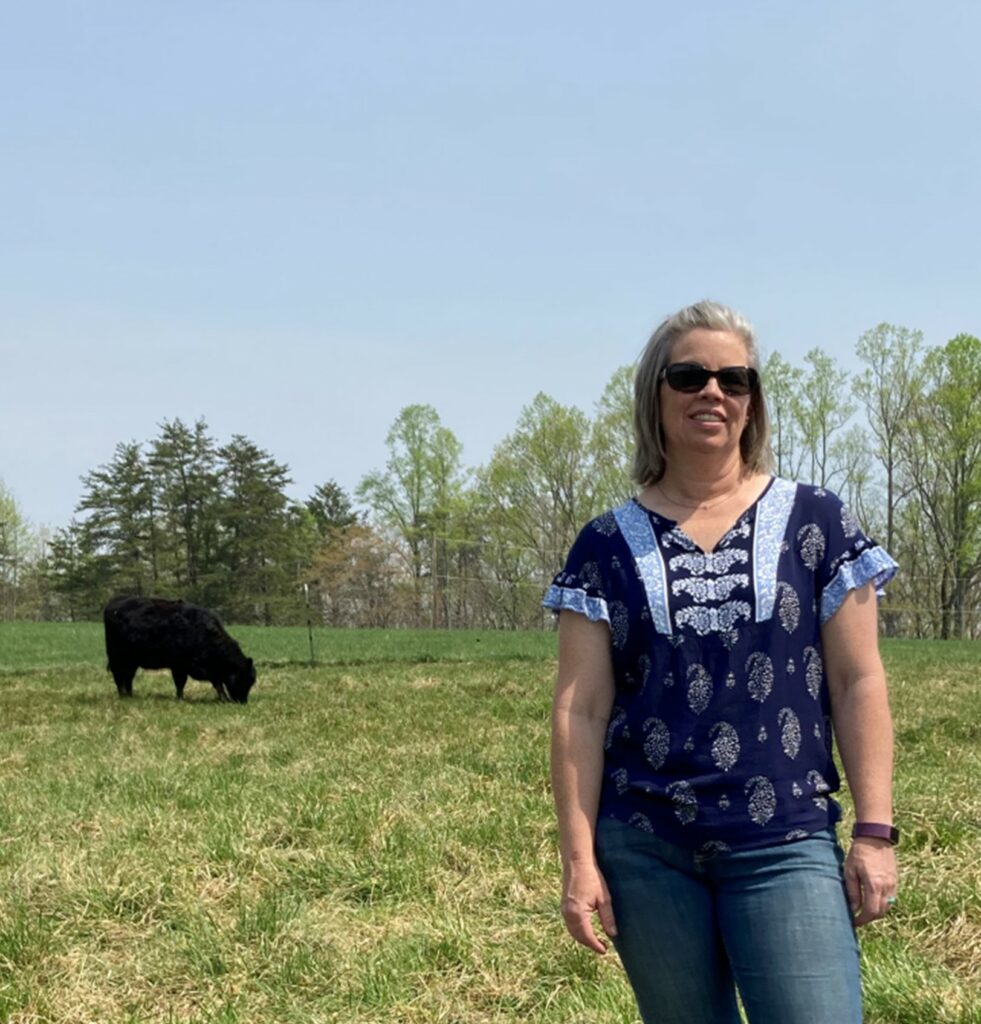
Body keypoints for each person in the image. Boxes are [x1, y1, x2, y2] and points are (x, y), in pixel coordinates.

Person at [545, 300, 899, 1024]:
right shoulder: (604, 546)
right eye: (689, 376)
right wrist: (579, 861)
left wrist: (872, 830)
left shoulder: (815, 521)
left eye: (734, 380)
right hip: (646, 850)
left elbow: (856, 680)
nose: (713, 392)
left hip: (784, 838)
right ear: (654, 394)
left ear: (751, 403)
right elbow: (578, 710)